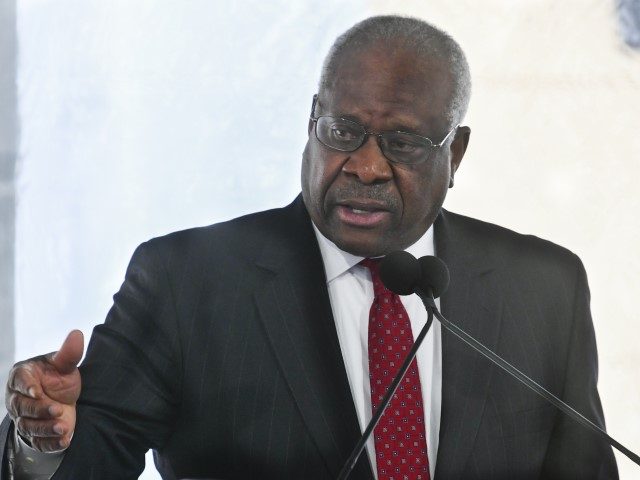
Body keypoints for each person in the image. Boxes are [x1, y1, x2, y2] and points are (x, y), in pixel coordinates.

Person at [1, 15, 618, 480]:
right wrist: (45, 441)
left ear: (453, 154)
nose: (367, 166)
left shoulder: (544, 288)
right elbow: (91, 450)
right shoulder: (186, 283)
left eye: (402, 143)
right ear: (311, 123)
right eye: (344, 131)